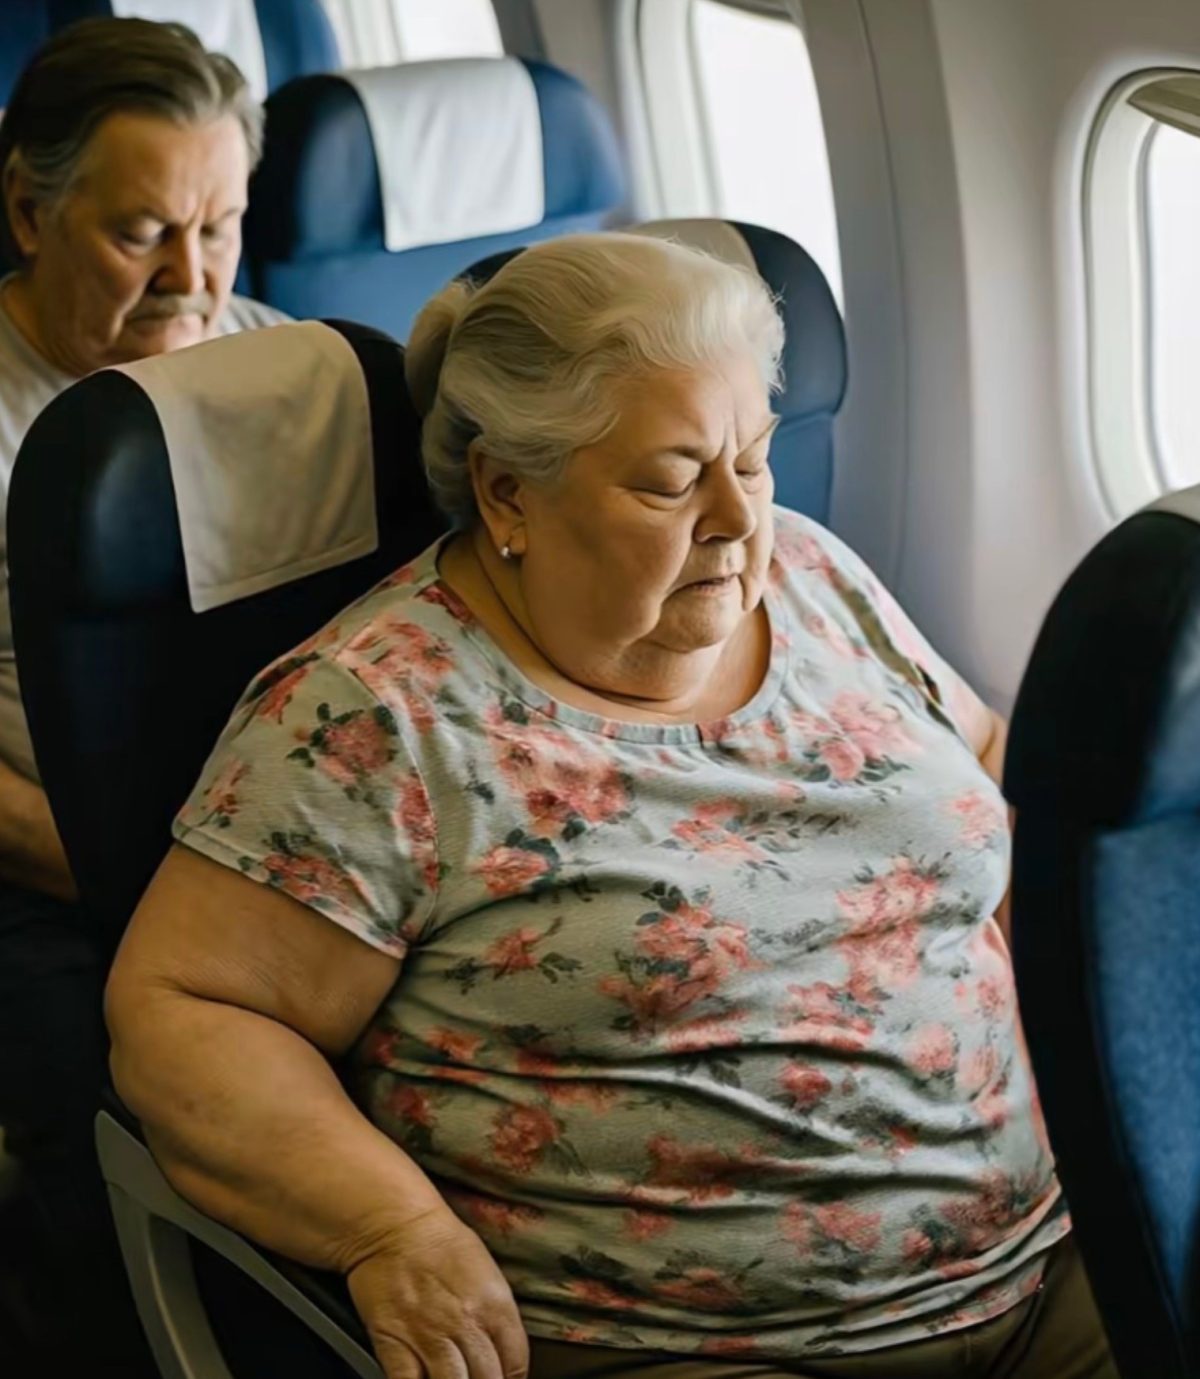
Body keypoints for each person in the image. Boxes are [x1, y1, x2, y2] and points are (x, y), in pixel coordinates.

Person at [107, 233, 1116, 1379]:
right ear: (508, 493)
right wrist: (390, 1228)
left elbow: (984, 765)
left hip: (1055, 1254)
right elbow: (187, 1009)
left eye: (756, 457)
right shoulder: (378, 718)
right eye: (674, 479)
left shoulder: (819, 578)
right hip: (699, 1343)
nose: (742, 519)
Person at [0, 18, 286, 1372]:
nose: (194, 283)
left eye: (221, 227)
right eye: (141, 234)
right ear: (25, 209)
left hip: (291, 878)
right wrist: (148, 883)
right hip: (57, 879)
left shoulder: (287, 375)